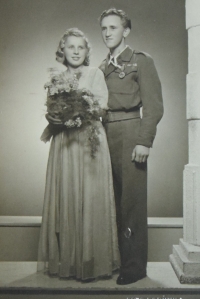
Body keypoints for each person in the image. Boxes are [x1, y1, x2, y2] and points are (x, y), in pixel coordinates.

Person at [38, 28, 120, 281]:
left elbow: (101, 107)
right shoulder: (56, 78)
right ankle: (69, 262)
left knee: (91, 196)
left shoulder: (95, 74)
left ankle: (92, 262)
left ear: (86, 52)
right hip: (65, 142)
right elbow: (52, 108)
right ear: (62, 50)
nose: (75, 51)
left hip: (88, 142)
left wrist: (81, 110)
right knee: (67, 195)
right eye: (70, 46)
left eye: (80, 47)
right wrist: (54, 116)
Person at [99, 8, 164, 285]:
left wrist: (143, 141)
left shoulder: (140, 61)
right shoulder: (101, 68)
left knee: (131, 205)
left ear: (125, 31)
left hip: (130, 134)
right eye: (103, 28)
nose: (107, 33)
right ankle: (114, 261)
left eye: (113, 28)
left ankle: (134, 268)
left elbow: (154, 107)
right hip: (103, 135)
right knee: (108, 201)